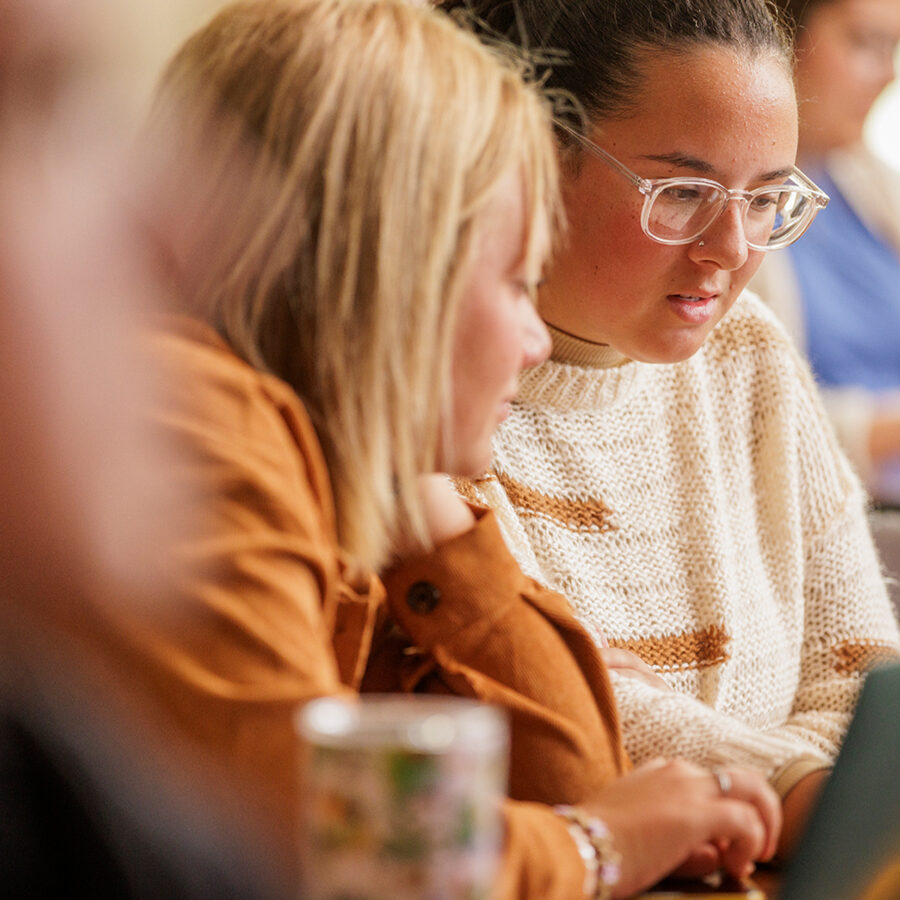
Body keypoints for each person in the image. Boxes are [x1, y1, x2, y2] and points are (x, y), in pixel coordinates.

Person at [56, 0, 792, 897]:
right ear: (400, 272)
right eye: (518, 282)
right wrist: (596, 846)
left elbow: (567, 771)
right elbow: (326, 848)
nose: (532, 340)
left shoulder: (334, 477)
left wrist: (431, 505)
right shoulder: (207, 428)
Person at [440, 0, 900, 861]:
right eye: (683, 193)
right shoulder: (453, 392)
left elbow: (861, 672)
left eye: (768, 200)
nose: (731, 248)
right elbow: (562, 708)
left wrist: (789, 801)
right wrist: (796, 793)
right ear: (534, 161)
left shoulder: (745, 353)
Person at [750, 0, 900, 505]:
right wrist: (886, 431)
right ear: (781, 39)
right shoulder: (733, 218)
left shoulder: (870, 183)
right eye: (864, 44)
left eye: (893, 49)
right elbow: (750, 423)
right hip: (839, 499)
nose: (886, 75)